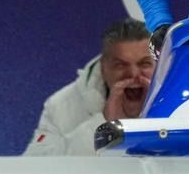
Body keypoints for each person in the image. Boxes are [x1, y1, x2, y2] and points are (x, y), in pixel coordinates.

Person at [24, 18, 154, 156]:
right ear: (103, 68)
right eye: (120, 65)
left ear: (160, 65)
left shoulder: (173, 108)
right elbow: (32, 165)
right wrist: (104, 125)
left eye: (144, 64)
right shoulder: (61, 106)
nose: (133, 73)